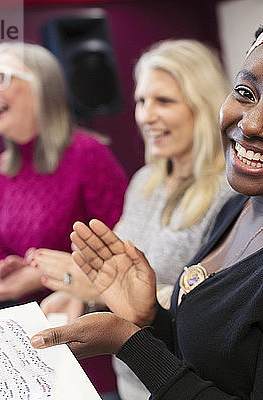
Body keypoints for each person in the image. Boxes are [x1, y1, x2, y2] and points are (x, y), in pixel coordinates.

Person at [30, 0, 263, 398]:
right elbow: (213, 358)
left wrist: (131, 343)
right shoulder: (244, 204)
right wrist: (151, 318)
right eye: (246, 92)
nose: (250, 124)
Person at [27, 39, 236, 400]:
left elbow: (219, 310)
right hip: (132, 378)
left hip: (186, 383)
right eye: (141, 101)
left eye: (164, 101)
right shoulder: (144, 183)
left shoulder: (229, 193)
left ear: (202, 107)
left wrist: (98, 290)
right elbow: (115, 276)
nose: (146, 115)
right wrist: (79, 297)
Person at [0, 42, 128, 399]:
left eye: (1, 77)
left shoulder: (88, 155)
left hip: (90, 348)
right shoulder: (3, 170)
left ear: (42, 87)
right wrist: (13, 265)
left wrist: (43, 276)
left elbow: (123, 253)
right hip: (34, 350)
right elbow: (12, 248)